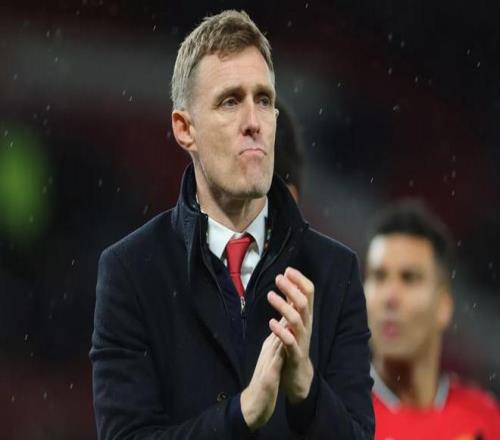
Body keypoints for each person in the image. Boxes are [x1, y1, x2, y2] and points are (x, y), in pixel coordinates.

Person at [90, 10, 374, 439]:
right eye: (230, 101)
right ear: (185, 129)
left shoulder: (335, 272)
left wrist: (306, 390)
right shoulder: (132, 272)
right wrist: (240, 415)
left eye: (264, 100)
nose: (253, 122)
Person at [364, 200, 500, 440]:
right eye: (379, 276)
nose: (389, 296)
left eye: (409, 278)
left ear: (443, 306)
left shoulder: (485, 419)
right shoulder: (337, 415)